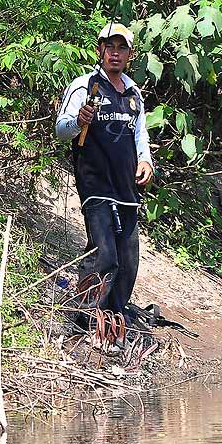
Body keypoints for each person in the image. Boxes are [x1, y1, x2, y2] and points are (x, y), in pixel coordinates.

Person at [55, 23, 154, 332]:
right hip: (95, 182)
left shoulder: (134, 92)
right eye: (109, 46)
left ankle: (114, 317)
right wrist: (78, 120)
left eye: (121, 48)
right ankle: (84, 317)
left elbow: (140, 135)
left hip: (127, 186)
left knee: (129, 258)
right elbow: (61, 130)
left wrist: (146, 161)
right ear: (99, 50)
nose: (115, 53)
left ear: (129, 54)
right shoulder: (85, 85)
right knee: (105, 252)